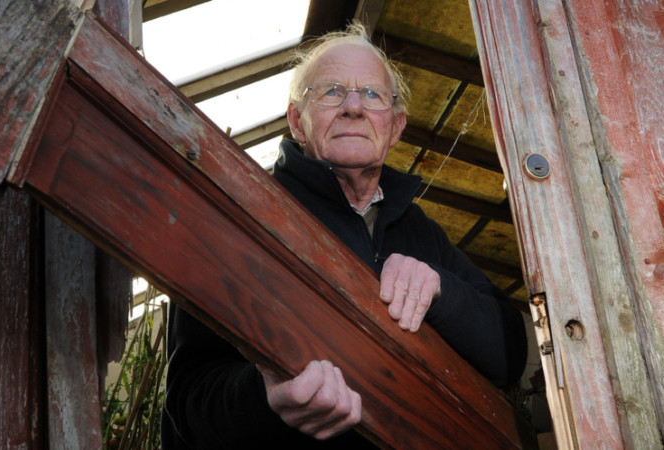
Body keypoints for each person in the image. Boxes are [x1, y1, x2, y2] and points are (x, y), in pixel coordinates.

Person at [161, 22, 527, 449]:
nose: (354, 107)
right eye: (332, 91)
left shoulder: (421, 230)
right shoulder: (240, 217)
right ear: (297, 121)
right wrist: (268, 401)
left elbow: (512, 354)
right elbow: (187, 405)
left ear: (394, 128)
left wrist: (442, 291)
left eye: (372, 95)